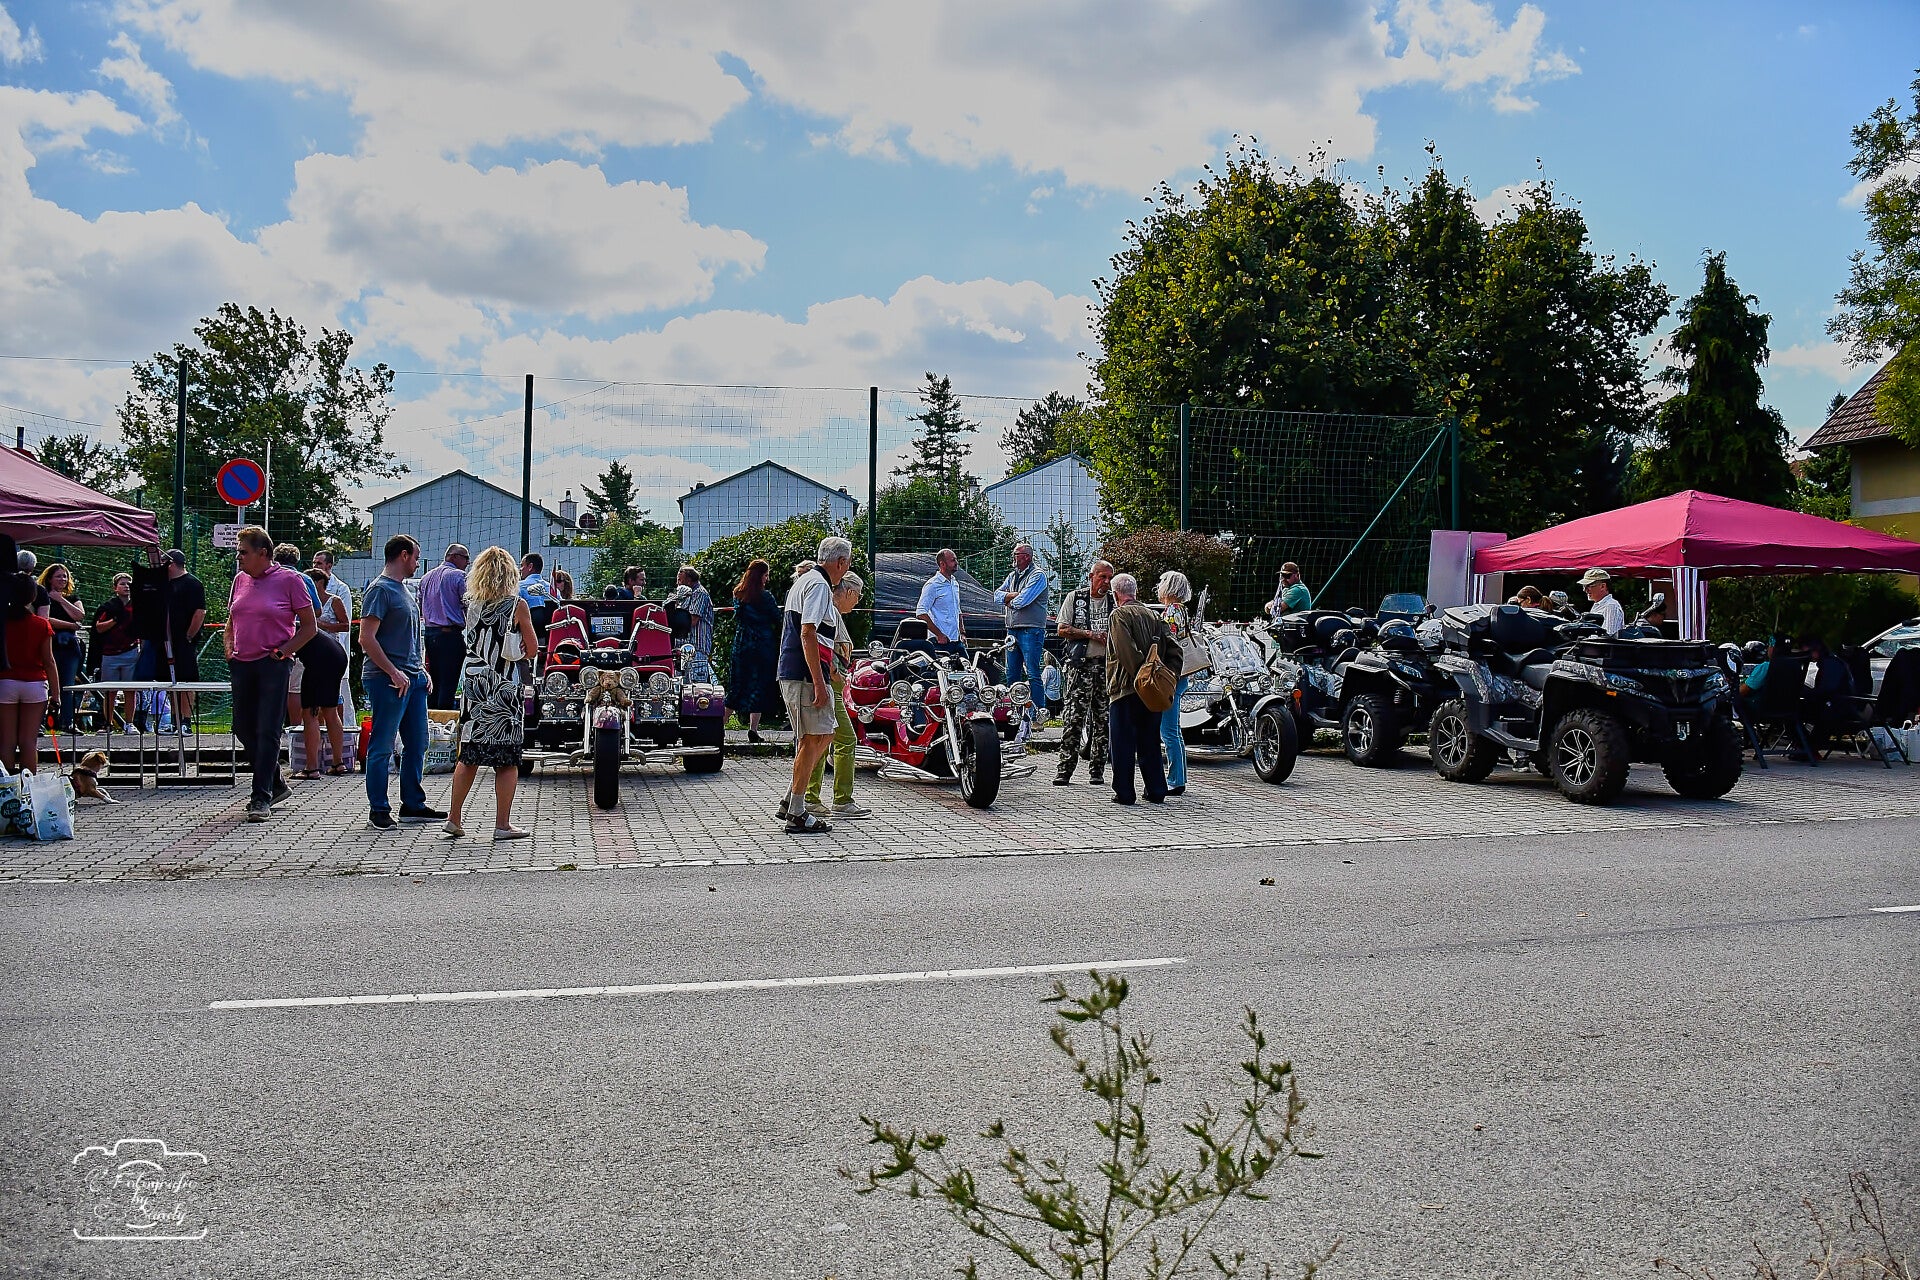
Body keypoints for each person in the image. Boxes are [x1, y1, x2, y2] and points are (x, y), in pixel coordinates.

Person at [444, 547, 539, 842]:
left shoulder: (471, 605)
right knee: (506, 759)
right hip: (503, 684)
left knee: (469, 754)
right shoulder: (517, 605)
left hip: (474, 682)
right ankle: (502, 824)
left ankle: (454, 817)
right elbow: (532, 649)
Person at [223, 527, 317, 822]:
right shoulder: (240, 580)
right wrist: (229, 648)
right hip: (242, 663)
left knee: (267, 729)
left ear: (262, 553)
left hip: (272, 664)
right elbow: (231, 619)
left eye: (243, 552)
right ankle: (275, 780)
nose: (238, 558)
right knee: (242, 727)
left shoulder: (290, 580)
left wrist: (284, 652)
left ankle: (260, 797)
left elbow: (309, 627)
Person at [361, 534, 444, 830]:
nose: (418, 563)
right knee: (382, 745)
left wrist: (421, 670)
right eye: (416, 557)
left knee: (418, 742)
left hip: (413, 680)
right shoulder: (379, 590)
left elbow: (409, 638)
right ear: (404, 555)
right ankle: (378, 809)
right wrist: (393, 672)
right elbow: (366, 638)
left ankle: (412, 804)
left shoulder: (405, 590)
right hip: (387, 680)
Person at [775, 537, 852, 834]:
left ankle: (791, 799)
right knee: (813, 739)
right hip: (805, 675)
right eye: (847, 563)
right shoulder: (819, 585)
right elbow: (808, 632)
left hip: (799, 671)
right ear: (840, 562)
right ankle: (796, 810)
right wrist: (819, 682)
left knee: (824, 734)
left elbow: (813, 634)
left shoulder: (806, 580)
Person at [804, 570, 872, 820]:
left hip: (828, 682)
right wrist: (834, 673)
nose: (857, 602)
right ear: (850, 592)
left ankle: (810, 796)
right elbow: (823, 644)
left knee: (821, 739)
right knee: (845, 739)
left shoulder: (830, 610)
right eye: (858, 596)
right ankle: (841, 799)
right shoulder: (831, 611)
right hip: (829, 683)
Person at [1105, 573, 1176, 805]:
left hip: (1125, 688)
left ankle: (1124, 792)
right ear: (1135, 592)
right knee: (1150, 741)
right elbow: (1175, 650)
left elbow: (1125, 650)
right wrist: (1167, 678)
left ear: (1115, 594)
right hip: (1153, 691)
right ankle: (1156, 790)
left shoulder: (1119, 615)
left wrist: (1141, 677)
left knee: (1122, 743)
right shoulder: (1155, 616)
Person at [1053, 560, 1114, 786]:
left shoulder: (1114, 602)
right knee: (1073, 719)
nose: (1106, 582)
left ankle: (1097, 770)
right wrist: (1090, 634)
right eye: (1102, 577)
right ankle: (1064, 770)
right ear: (1091, 577)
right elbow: (1062, 629)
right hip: (1080, 666)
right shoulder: (1076, 598)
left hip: (1106, 667)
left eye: (1109, 578)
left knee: (1103, 720)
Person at [0, 565, 56, 774]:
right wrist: (56, 695)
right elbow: (49, 661)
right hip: (35, 684)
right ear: (32, 596)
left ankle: (6, 786)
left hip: (5, 682)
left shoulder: (3, 623)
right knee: (28, 741)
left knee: (6, 740)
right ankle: (29, 785)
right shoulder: (41, 624)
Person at [144, 549, 206, 732]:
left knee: (186, 680)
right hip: (164, 641)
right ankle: (174, 720)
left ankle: (185, 721)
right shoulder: (164, 585)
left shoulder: (193, 584)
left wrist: (188, 636)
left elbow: (200, 612)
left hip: (183, 642)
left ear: (171, 564)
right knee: (170, 681)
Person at [727, 558, 781, 743]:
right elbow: (777, 618)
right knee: (759, 686)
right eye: (766, 575)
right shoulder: (766, 597)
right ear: (761, 576)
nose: (767, 579)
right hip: (762, 646)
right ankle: (753, 729)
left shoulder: (738, 594)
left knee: (737, 686)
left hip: (742, 644)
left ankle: (719, 726)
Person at [1155, 570, 1196, 797]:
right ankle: (1178, 777)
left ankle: (1175, 780)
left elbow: (1168, 644)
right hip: (1181, 675)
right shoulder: (1182, 610)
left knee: (1168, 730)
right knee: (1173, 730)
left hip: (1172, 675)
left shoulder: (1171, 612)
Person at [997, 542, 1049, 710]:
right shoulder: (1012, 576)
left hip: (1031, 630)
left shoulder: (1038, 575)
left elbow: (1022, 601)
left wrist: (1009, 600)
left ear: (1027, 556)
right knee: (1011, 674)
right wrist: (1014, 595)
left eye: (1016, 554)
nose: (1013, 557)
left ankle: (1038, 712)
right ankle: (1015, 712)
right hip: (1012, 630)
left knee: (1033, 673)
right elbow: (996, 596)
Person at [420, 543, 470, 712]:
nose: (468, 562)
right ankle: (445, 720)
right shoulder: (459, 576)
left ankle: (431, 719)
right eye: (466, 558)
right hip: (450, 636)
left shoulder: (426, 577)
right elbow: (469, 604)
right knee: (448, 684)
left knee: (434, 682)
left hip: (430, 635)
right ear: (454, 557)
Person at [92, 572, 143, 733]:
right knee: (110, 690)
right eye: (122, 583)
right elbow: (99, 628)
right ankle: (108, 724)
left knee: (130, 689)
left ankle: (129, 723)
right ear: (115, 588)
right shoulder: (108, 607)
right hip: (110, 654)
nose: (126, 586)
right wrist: (115, 620)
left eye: (129, 583)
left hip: (131, 652)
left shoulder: (138, 606)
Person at [37, 563, 85, 732]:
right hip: (50, 642)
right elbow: (45, 619)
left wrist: (61, 599)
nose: (62, 579)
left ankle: (67, 722)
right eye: (58, 576)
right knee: (46, 684)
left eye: (65, 576)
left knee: (67, 684)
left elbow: (79, 615)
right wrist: (70, 625)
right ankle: (40, 723)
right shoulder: (42, 596)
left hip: (69, 646)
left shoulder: (72, 598)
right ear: (49, 578)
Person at [309, 550, 356, 722]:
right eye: (314, 563)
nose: (315, 566)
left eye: (319, 563)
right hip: (313, 649)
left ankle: (346, 729)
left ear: (329, 565)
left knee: (339, 693)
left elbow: (345, 624)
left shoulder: (340, 590)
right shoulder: (309, 589)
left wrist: (322, 626)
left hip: (334, 648)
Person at [914, 548, 966, 656]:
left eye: (956, 559)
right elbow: (920, 612)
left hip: (956, 640)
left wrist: (962, 633)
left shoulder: (954, 583)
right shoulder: (932, 585)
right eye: (953, 560)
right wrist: (939, 635)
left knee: (966, 665)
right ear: (942, 564)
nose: (956, 563)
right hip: (940, 642)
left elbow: (957, 610)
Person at [677, 566, 716, 668]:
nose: (678, 584)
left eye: (680, 580)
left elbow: (692, 620)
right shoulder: (687, 594)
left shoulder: (699, 593)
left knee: (695, 676)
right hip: (686, 648)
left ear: (689, 580)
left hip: (697, 647)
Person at [1578, 569, 1625, 635]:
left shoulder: (1611, 606)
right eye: (1584, 586)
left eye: (1589, 586)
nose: (1585, 590)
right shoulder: (1599, 605)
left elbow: (1610, 635)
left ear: (1603, 586)